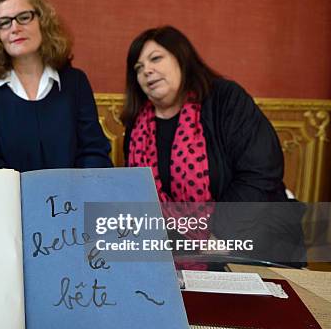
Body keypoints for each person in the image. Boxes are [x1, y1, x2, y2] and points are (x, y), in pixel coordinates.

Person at [121, 25, 305, 264]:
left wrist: (221, 236)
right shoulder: (136, 125)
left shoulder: (225, 99)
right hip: (172, 254)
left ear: (182, 58)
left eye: (155, 58)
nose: (147, 70)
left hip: (250, 239)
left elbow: (260, 171)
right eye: (138, 68)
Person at [0, 0, 112, 172]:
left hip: (71, 199)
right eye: (4, 22)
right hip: (8, 200)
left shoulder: (75, 82)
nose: (14, 28)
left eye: (24, 17)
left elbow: (94, 154)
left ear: (43, 21)